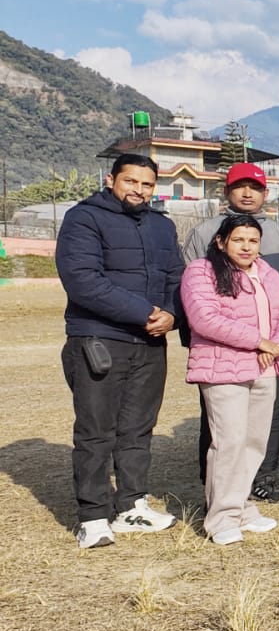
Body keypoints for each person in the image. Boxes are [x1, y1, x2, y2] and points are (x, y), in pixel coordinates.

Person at [56, 154, 183, 548]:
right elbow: (83, 280)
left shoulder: (162, 226)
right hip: (99, 339)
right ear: (111, 180)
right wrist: (146, 313)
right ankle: (93, 517)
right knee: (96, 432)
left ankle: (131, 505)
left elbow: (177, 278)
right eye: (131, 181)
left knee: (137, 429)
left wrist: (173, 315)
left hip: (150, 343)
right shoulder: (84, 218)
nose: (138, 191)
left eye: (147, 184)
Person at [183, 162, 279, 502]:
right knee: (222, 424)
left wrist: (278, 344)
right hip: (224, 351)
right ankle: (217, 491)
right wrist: (253, 341)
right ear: (227, 190)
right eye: (240, 186)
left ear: (266, 193)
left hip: (273, 350)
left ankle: (263, 478)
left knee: (269, 416)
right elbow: (196, 299)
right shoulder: (204, 233)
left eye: (256, 188)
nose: (248, 193)